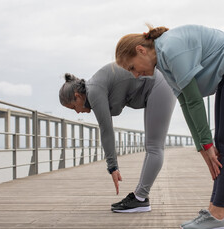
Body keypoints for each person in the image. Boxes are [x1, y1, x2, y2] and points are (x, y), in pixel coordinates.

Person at [115, 24, 224, 229]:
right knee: (222, 145)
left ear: (140, 50)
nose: (136, 75)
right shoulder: (164, 63)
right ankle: (215, 213)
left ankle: (218, 216)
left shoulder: (170, 48)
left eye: (131, 67)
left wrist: (207, 143)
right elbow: (184, 102)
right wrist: (202, 146)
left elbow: (194, 101)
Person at [59, 62, 176, 213]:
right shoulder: (94, 87)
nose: (77, 112)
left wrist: (112, 167)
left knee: (154, 147)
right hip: (157, 86)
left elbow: (106, 130)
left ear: (77, 96)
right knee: (152, 147)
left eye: (74, 107)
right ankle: (140, 197)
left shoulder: (94, 90)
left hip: (159, 85)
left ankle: (140, 199)